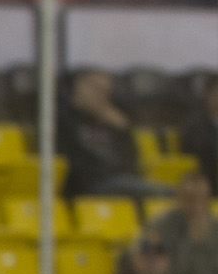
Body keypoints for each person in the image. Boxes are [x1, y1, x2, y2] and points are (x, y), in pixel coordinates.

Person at [59, 69, 158, 202]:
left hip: (118, 179)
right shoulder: (62, 119)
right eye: (97, 89)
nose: (103, 96)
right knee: (162, 194)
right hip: (86, 184)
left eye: (106, 91)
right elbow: (70, 160)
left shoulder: (109, 119)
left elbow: (131, 159)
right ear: (80, 86)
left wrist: (123, 130)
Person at [144, 165, 218, 274]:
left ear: (209, 199)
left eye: (200, 199)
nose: (195, 205)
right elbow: (157, 272)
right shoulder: (162, 226)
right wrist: (191, 240)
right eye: (189, 198)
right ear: (178, 197)